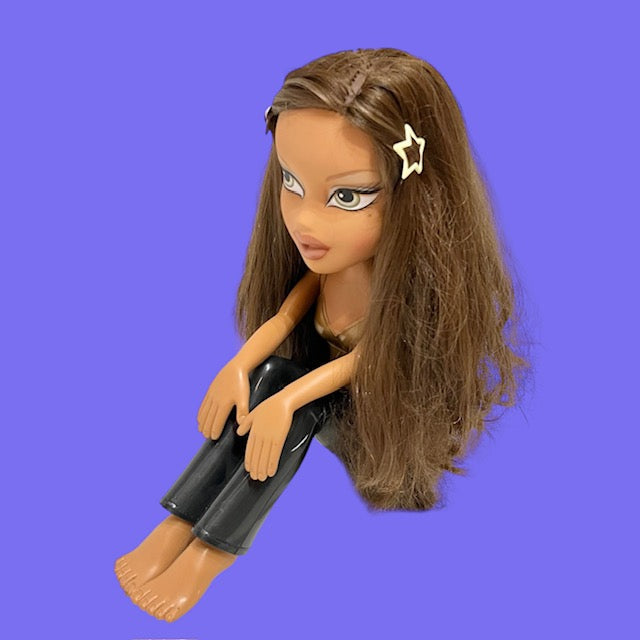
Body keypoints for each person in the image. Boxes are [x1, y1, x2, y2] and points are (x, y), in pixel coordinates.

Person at [114, 47, 531, 622]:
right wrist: (238, 367)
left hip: (377, 410)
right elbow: (285, 320)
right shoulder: (324, 271)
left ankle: (211, 554)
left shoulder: (399, 287)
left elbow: (369, 358)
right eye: (291, 181)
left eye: (347, 196)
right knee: (268, 377)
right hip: (314, 388)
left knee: (291, 403)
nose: (305, 220)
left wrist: (289, 401)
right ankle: (178, 523)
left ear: (412, 188)